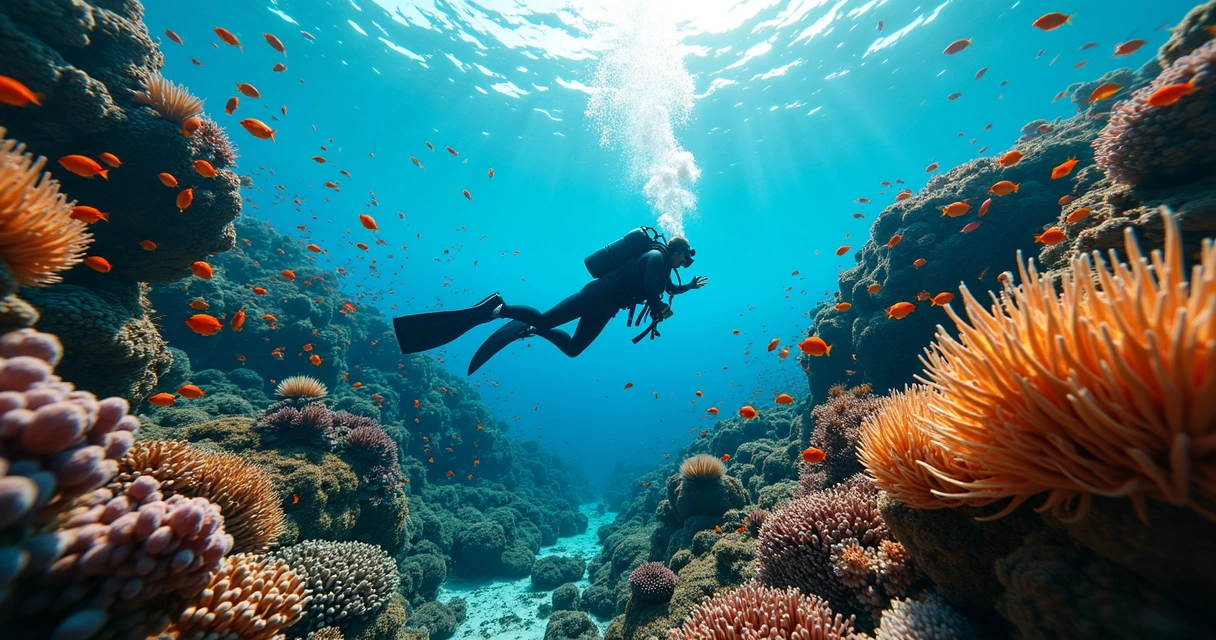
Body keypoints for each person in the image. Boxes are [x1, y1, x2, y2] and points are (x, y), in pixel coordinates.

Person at [393, 234, 706, 374]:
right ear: (676, 251)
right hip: (596, 295)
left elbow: (668, 290)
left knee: (573, 349)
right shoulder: (655, 256)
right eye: (686, 255)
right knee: (545, 319)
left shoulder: (664, 266)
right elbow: (653, 290)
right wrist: (658, 306)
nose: (686, 261)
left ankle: (528, 328)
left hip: (606, 308)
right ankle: (499, 307)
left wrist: (688, 287)